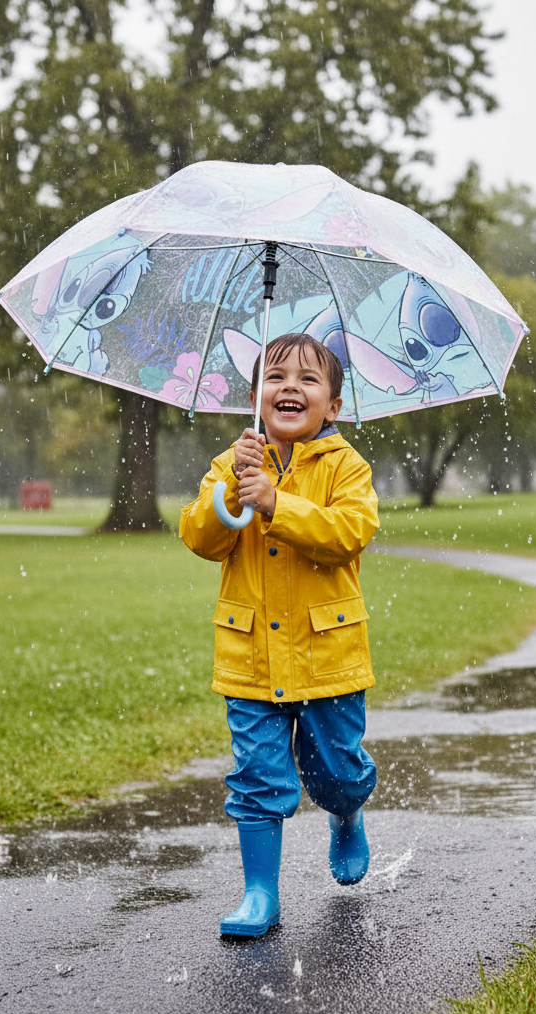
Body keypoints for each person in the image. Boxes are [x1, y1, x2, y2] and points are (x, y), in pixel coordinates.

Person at [179, 332, 380, 938]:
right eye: (275, 377)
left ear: (334, 406)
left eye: (308, 379)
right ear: (254, 396)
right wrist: (225, 495)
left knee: (336, 772)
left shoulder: (347, 466)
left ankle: (346, 814)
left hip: (328, 655)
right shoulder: (233, 462)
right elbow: (199, 539)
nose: (289, 387)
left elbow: (350, 533)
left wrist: (277, 503)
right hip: (251, 657)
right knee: (260, 775)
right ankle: (260, 893)